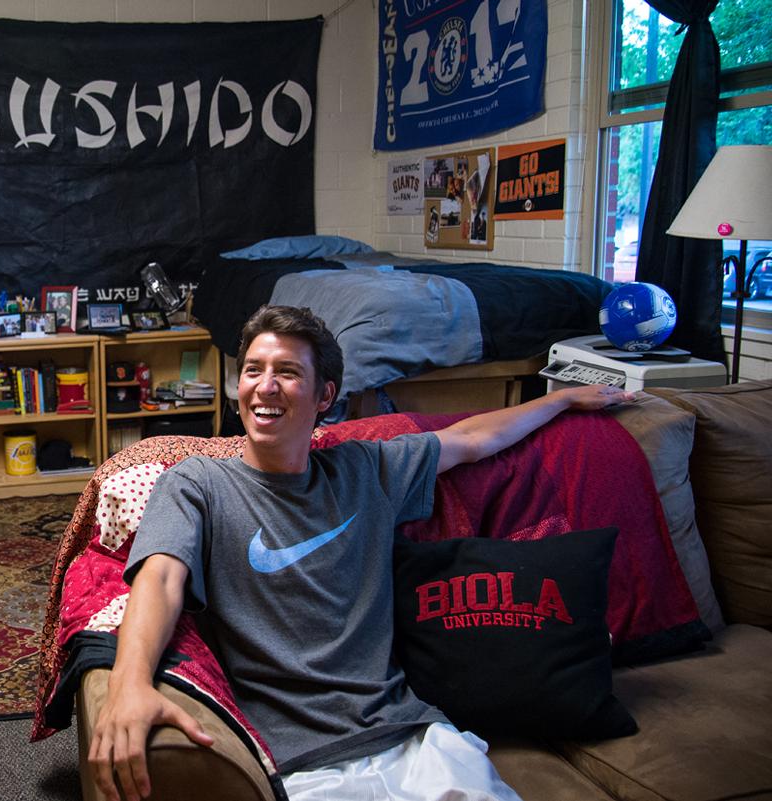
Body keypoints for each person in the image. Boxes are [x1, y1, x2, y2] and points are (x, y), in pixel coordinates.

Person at [88, 305, 635, 801]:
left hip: (415, 738)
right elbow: (159, 579)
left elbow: (473, 440)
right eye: (253, 370)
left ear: (325, 396)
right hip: (298, 761)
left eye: (287, 373)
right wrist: (129, 683)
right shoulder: (196, 483)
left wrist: (561, 398)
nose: (264, 387)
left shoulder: (366, 470)